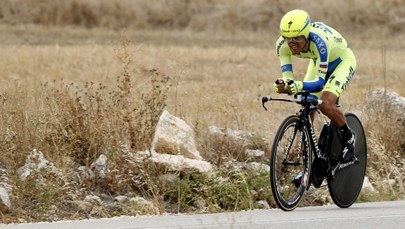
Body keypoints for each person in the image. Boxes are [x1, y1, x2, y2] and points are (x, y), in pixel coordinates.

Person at [273, 9, 357, 164]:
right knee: (306, 103)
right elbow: (288, 78)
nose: (292, 43)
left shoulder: (319, 42)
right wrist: (284, 85)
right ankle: (308, 164)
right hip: (318, 62)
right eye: (287, 38)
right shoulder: (281, 45)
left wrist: (298, 85)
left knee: (325, 104)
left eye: (297, 38)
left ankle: (349, 137)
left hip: (342, 61)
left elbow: (319, 84)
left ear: (306, 34)